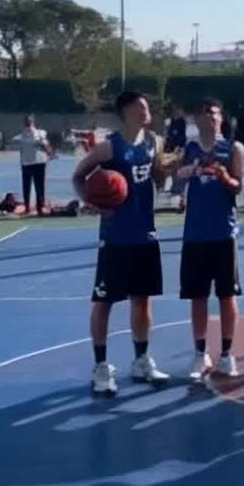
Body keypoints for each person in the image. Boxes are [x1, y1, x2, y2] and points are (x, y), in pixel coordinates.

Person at [73, 91, 169, 397]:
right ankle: (101, 367)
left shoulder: (154, 142)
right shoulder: (109, 146)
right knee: (105, 302)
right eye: (141, 106)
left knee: (142, 300)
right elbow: (78, 176)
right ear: (126, 111)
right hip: (115, 237)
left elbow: (157, 178)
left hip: (145, 234)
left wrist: (166, 174)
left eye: (147, 106)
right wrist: (92, 202)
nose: (146, 110)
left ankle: (141, 360)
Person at [177, 99, 244, 381]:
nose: (212, 117)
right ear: (198, 119)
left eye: (216, 113)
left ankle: (227, 354)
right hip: (195, 232)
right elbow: (177, 177)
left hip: (223, 231)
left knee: (227, 295)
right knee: (198, 296)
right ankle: (200, 353)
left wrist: (225, 176)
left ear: (221, 119)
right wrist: (192, 170)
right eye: (206, 113)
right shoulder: (190, 149)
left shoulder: (232, 148)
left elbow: (238, 187)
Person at [12, 115, 52, 215]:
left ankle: (40, 207)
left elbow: (45, 142)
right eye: (27, 121)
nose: (28, 123)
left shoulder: (40, 133)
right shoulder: (21, 136)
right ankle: (27, 207)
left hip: (39, 163)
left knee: (40, 187)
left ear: (33, 122)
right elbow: (14, 140)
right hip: (26, 163)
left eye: (29, 121)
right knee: (26, 187)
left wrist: (47, 149)